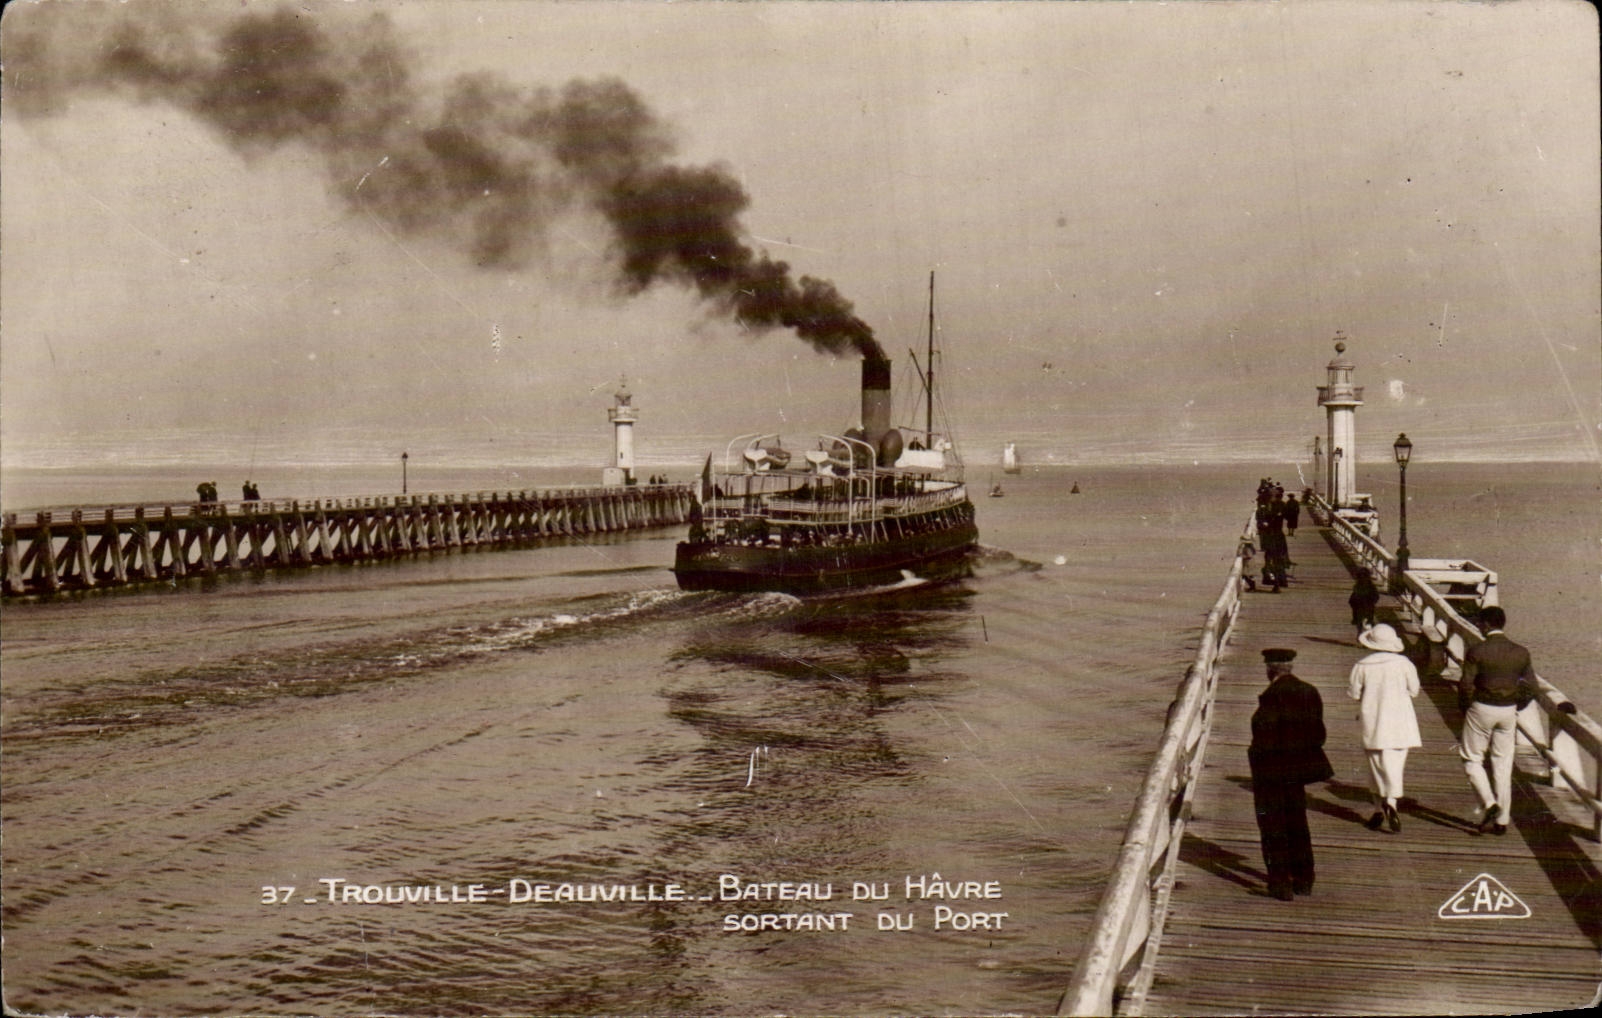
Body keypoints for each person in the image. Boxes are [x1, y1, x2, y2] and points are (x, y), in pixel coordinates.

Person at [1249, 648, 1333, 900]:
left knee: (1272, 825)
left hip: (1271, 773)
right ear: (1290, 667)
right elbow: (1319, 735)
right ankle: (1304, 880)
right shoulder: (1310, 691)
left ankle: (1280, 884)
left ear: (1270, 669)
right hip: (1297, 772)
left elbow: (1263, 735)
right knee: (1297, 823)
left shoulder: (1272, 695)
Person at [1458, 605, 1535, 835]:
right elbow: (1532, 687)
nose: (1479, 627)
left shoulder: (1477, 650)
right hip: (1508, 711)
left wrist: (1465, 707)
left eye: (1481, 623)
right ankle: (1502, 821)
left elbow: (1465, 685)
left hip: (1482, 708)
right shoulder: (1521, 652)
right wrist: (1516, 704)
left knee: (1472, 759)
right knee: (1503, 765)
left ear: (1487, 624)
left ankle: (1489, 803)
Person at [1348, 624, 1421, 832]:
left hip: (1373, 720)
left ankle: (1379, 809)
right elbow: (1414, 690)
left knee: (1374, 766)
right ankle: (1391, 802)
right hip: (1400, 721)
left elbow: (1354, 693)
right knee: (1395, 765)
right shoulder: (1404, 663)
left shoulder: (1362, 665)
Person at [1348, 568, 1380, 634]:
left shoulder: (1357, 586)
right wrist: (1372, 602)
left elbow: (1352, 600)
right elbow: (1376, 597)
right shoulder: (1371, 586)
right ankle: (1369, 634)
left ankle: (1360, 632)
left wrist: (1353, 604)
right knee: (1368, 622)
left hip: (1358, 608)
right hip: (1369, 607)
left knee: (1359, 622)